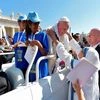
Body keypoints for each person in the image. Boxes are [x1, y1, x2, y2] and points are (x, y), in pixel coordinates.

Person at [48, 30, 100, 100]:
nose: (88, 36)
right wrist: (69, 37)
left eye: (91, 35)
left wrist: (55, 39)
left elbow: (67, 58)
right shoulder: (92, 55)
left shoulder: (91, 56)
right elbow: (80, 51)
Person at [26, 11, 49, 81]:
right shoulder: (30, 36)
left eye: (38, 23)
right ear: (29, 25)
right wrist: (27, 44)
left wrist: (38, 44)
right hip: (32, 66)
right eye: (35, 23)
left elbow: (45, 53)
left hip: (41, 67)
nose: (37, 25)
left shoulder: (43, 35)